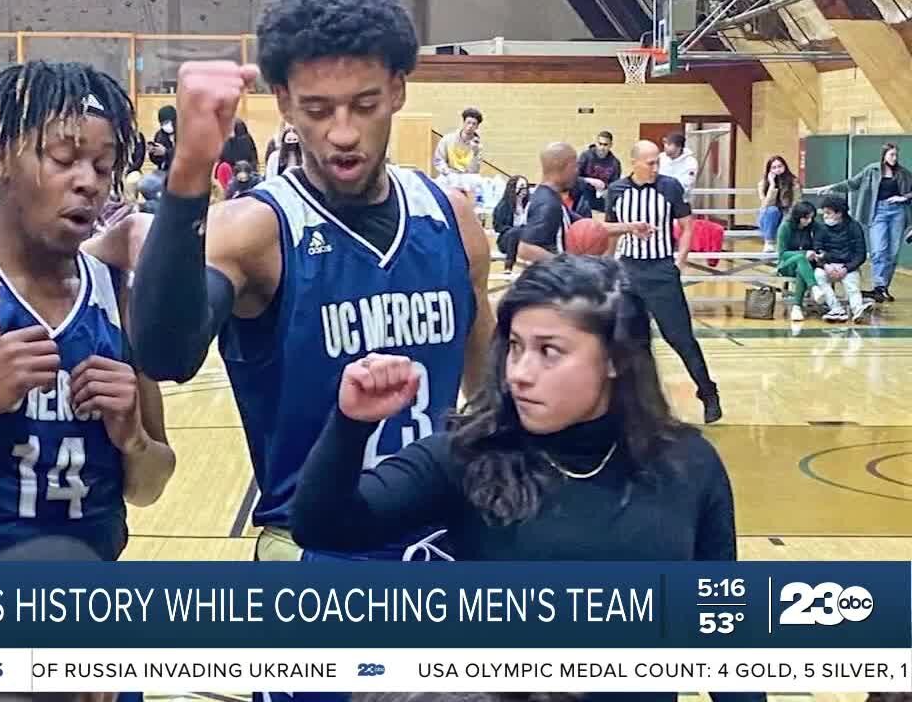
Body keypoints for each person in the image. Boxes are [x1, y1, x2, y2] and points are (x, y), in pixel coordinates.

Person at [130, 0, 494, 580]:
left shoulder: (449, 216)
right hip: (314, 551)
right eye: (319, 109)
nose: (343, 132)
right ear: (284, 102)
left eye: (365, 104)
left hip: (441, 537)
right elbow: (164, 353)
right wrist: (190, 174)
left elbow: (491, 397)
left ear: (399, 90)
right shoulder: (255, 230)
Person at [291, 255, 762, 702]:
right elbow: (322, 527)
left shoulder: (689, 464)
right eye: (515, 347)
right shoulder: (467, 455)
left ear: (617, 359)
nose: (519, 373)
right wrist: (351, 424)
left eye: (549, 352)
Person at [0, 59, 176, 566]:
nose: (88, 182)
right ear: (2, 157)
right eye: (64, 158)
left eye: (102, 165)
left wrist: (132, 435)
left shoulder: (116, 291)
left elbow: (149, 487)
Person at [603, 140, 720, 424]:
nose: (656, 167)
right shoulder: (617, 190)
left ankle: (708, 391)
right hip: (628, 269)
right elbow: (608, 229)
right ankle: (631, 405)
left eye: (658, 162)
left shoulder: (670, 187)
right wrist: (606, 264)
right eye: (650, 162)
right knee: (626, 338)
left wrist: (680, 260)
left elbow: (688, 225)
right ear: (634, 163)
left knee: (679, 337)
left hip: (661, 269)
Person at [817, 142, 912, 303]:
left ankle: (882, 288)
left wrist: (903, 197)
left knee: (892, 253)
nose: (894, 158)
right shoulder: (872, 170)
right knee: (878, 250)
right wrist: (832, 187)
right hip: (878, 212)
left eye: (896, 155)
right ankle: (878, 286)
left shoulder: (903, 173)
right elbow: (853, 183)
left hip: (898, 212)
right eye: (891, 155)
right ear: (884, 155)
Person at [813, 196, 873, 324]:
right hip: (827, 266)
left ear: (839, 213)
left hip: (847, 266)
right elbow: (817, 250)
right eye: (824, 213)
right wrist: (826, 265)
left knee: (852, 285)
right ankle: (836, 308)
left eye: (828, 213)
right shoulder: (821, 228)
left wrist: (846, 268)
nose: (825, 216)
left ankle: (858, 311)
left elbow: (860, 254)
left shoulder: (854, 227)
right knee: (819, 276)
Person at [516, 143, 581, 261]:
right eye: (574, 166)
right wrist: (566, 265)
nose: (576, 171)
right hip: (549, 278)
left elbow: (585, 224)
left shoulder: (546, 196)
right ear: (564, 166)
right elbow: (526, 249)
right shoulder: (548, 203)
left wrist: (625, 227)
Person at [775, 201, 822, 322]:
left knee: (801, 269)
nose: (809, 221)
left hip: (806, 266)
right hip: (786, 264)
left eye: (811, 218)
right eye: (806, 218)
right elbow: (782, 253)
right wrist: (804, 253)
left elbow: (819, 243)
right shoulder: (785, 227)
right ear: (798, 217)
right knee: (801, 259)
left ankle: (797, 308)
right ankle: (814, 287)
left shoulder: (813, 227)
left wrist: (817, 252)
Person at [756, 156, 795, 254]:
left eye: (780, 166)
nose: (777, 169)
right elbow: (765, 205)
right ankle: (769, 242)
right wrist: (772, 185)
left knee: (787, 219)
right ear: (769, 170)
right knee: (772, 210)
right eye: (774, 167)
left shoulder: (793, 181)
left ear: (785, 166)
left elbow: (796, 202)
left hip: (786, 213)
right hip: (768, 216)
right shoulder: (763, 184)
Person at [575, 131, 620, 212]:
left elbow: (615, 185)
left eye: (605, 145)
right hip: (584, 195)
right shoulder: (586, 156)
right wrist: (590, 181)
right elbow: (573, 177)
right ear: (596, 143)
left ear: (611, 145)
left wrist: (607, 191)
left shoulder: (615, 163)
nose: (602, 147)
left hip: (602, 197)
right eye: (600, 144)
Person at [491, 174, 529, 271]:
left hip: (524, 238)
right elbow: (497, 226)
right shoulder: (503, 205)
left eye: (525, 187)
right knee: (514, 232)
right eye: (521, 187)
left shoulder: (528, 205)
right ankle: (508, 265)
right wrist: (513, 229)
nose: (524, 190)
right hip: (507, 239)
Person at [432, 107, 482, 176]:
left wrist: (475, 153)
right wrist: (448, 173)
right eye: (468, 122)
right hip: (448, 176)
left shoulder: (477, 146)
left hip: (466, 180)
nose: (470, 126)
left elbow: (474, 171)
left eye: (474, 124)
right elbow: (439, 160)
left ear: (477, 127)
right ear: (463, 123)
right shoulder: (448, 139)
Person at [658, 132, 697, 200]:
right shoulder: (660, 158)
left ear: (679, 146)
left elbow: (685, 184)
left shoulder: (691, 162)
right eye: (665, 143)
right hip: (660, 200)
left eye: (669, 144)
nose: (665, 146)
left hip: (680, 201)